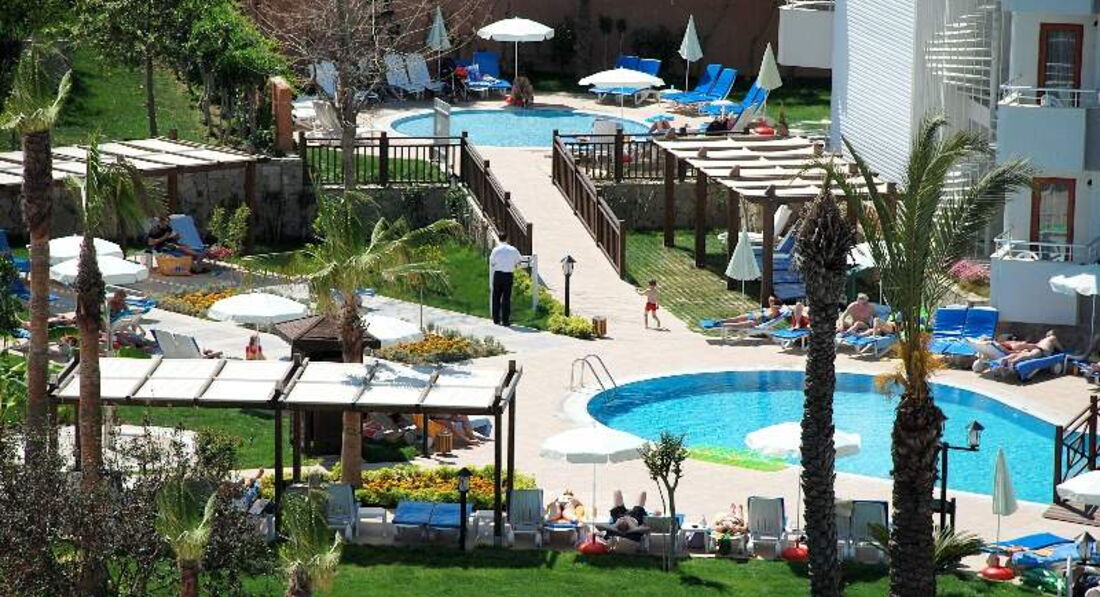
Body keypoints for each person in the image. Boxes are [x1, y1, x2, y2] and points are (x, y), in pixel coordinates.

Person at [489, 233, 521, 327]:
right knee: (506, 298)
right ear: (507, 238)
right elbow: (518, 261)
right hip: (508, 275)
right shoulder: (513, 249)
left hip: (498, 274)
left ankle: (496, 319)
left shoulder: (495, 250)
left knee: (496, 297)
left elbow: (492, 262)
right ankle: (505, 320)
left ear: (499, 239)